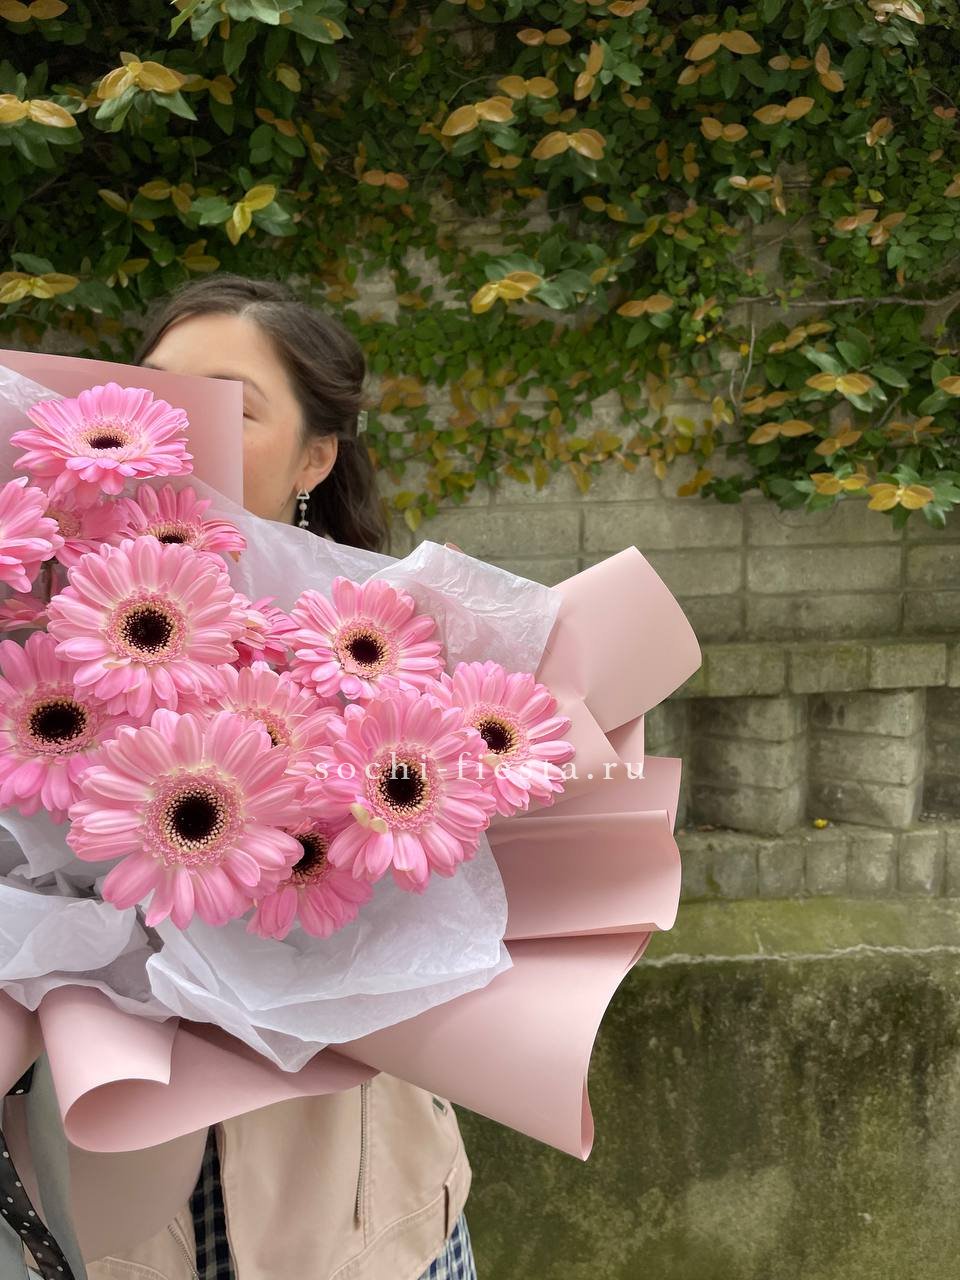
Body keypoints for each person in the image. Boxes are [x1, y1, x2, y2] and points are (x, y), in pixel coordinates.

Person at [83, 274, 478, 1280]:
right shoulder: (45, 630)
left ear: (316, 455)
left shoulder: (395, 647)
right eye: (154, 396)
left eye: (228, 406)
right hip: (111, 1195)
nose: (174, 433)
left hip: (350, 1200)